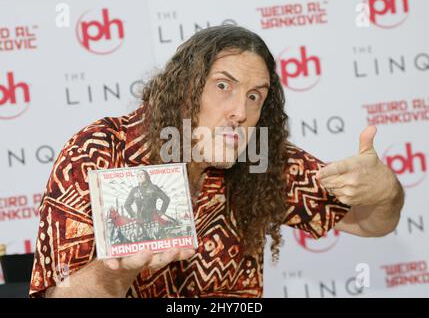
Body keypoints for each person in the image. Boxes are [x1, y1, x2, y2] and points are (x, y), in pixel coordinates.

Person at [29, 25, 404, 298]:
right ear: (184, 88)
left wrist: (387, 193)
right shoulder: (100, 152)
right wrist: (119, 273)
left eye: (255, 96)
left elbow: (371, 224)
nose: (240, 111)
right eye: (223, 86)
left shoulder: (257, 158)